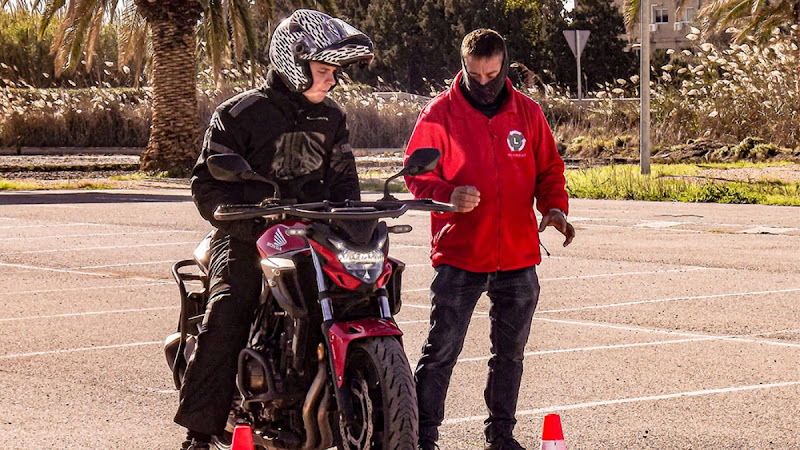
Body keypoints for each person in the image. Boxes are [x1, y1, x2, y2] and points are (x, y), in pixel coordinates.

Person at [174, 10, 374, 450]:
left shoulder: (332, 119)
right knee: (230, 306)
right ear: (294, 62)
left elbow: (345, 183)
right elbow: (205, 183)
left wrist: (358, 220)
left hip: (313, 235)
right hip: (246, 236)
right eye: (324, 71)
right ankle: (200, 432)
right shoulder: (239, 114)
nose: (332, 81)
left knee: (362, 291)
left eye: (334, 73)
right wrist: (240, 216)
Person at [404, 29, 576, 450]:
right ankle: (423, 438)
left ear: (504, 67)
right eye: (475, 75)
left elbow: (549, 169)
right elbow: (416, 175)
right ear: (463, 66)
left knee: (510, 356)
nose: (483, 84)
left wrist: (554, 208)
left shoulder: (528, 113)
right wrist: (448, 195)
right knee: (440, 353)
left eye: (492, 75)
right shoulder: (438, 115)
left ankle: (501, 436)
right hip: (460, 255)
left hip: (518, 256)